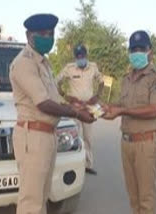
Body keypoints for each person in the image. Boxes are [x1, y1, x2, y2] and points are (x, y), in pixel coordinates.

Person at [9, 14, 95, 214]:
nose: (48, 37)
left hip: (47, 135)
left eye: (51, 33)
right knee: (31, 200)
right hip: (33, 137)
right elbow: (43, 103)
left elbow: (54, 100)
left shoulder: (43, 63)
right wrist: (76, 113)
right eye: (42, 34)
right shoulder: (25, 62)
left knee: (42, 197)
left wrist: (77, 107)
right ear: (29, 35)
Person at [103, 30, 156, 214]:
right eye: (133, 49)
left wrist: (121, 111)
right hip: (126, 143)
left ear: (150, 51)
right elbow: (122, 104)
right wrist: (106, 108)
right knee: (133, 196)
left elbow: (155, 110)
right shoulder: (126, 78)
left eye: (141, 48)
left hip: (145, 144)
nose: (137, 52)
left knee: (146, 198)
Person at [57, 44, 104, 175]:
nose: (80, 58)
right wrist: (65, 96)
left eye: (82, 56)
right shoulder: (69, 68)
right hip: (75, 108)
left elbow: (101, 82)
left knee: (88, 137)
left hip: (89, 107)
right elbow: (57, 82)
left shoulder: (93, 67)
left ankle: (88, 165)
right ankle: (73, 165)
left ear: (86, 55)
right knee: (74, 136)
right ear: (75, 57)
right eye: (78, 56)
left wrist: (98, 96)